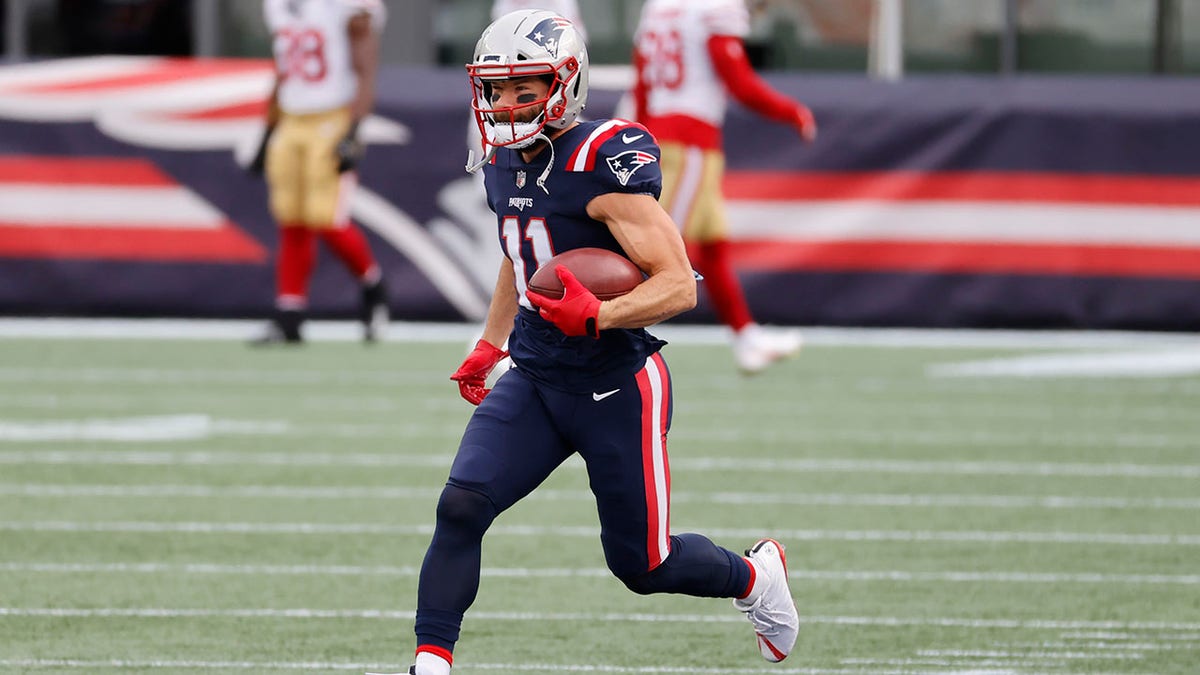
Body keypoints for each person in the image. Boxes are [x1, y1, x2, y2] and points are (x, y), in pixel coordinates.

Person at [368, 10, 800, 675]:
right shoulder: (500, 161)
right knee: (460, 504)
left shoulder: (603, 160)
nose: (506, 104)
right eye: (496, 89)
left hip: (616, 385)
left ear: (566, 84)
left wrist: (601, 313)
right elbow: (520, 256)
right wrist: (491, 344)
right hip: (538, 377)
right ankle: (431, 663)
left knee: (643, 563)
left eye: (525, 87)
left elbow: (680, 283)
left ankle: (754, 578)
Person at [631, 0, 817, 373]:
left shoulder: (658, 7)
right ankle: (587, 339)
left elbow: (642, 82)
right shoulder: (712, 9)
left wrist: (642, 132)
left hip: (669, 137)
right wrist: (792, 111)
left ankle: (746, 338)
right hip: (690, 143)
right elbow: (739, 81)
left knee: (712, 245)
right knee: (657, 253)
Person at [248, 0, 389, 344]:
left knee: (325, 217)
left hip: (331, 116)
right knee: (291, 217)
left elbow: (365, 65)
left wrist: (355, 129)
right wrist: (267, 132)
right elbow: (285, 69)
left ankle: (373, 286)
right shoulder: (277, 6)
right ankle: (290, 313)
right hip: (292, 118)